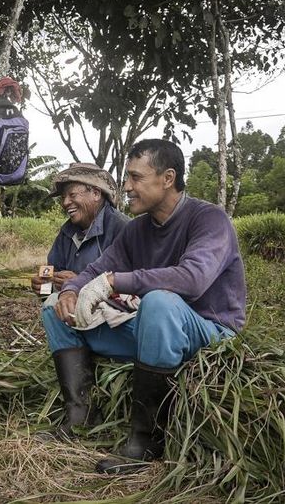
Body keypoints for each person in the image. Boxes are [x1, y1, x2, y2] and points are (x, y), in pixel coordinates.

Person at [51, 139, 246, 475]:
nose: (126, 187)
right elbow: (95, 271)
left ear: (167, 178)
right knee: (53, 307)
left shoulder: (209, 220)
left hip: (209, 332)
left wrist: (114, 282)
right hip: (156, 332)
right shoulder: (138, 229)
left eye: (135, 178)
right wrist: (71, 289)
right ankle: (79, 416)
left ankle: (145, 440)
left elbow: (193, 279)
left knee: (157, 302)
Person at [34, 163, 129, 439]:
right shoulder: (67, 234)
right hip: (77, 318)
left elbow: (134, 282)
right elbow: (49, 287)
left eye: (72, 195)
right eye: (64, 197)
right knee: (52, 304)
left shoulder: (121, 228)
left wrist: (81, 284)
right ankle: (80, 413)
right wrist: (41, 285)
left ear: (96, 193)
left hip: (116, 317)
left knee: (57, 305)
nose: (66, 203)